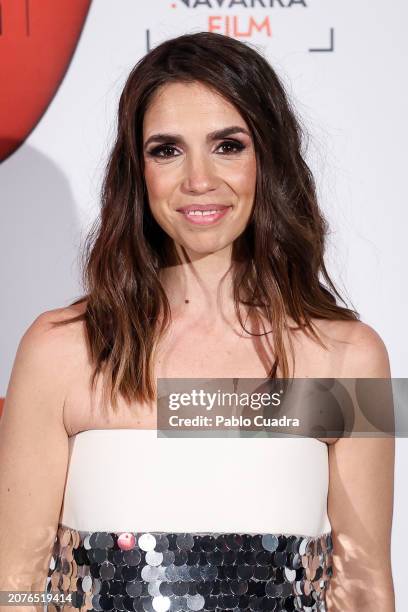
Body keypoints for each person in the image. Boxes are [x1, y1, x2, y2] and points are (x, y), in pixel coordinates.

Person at [0, 31, 394, 612]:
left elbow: (364, 584)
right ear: (138, 170)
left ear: (269, 158)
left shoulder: (351, 356)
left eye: (227, 145)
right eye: (167, 150)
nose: (199, 180)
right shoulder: (62, 349)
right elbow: (17, 579)